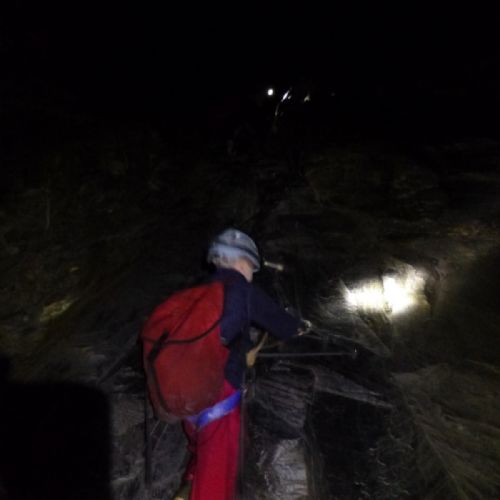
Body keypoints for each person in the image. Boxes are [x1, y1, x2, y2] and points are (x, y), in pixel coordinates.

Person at [173, 228, 311, 500]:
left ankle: (188, 485)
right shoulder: (242, 289)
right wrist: (301, 326)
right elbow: (283, 325)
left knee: (201, 447)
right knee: (218, 470)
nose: (251, 272)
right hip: (217, 392)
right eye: (251, 266)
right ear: (241, 262)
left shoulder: (198, 290)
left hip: (183, 389)